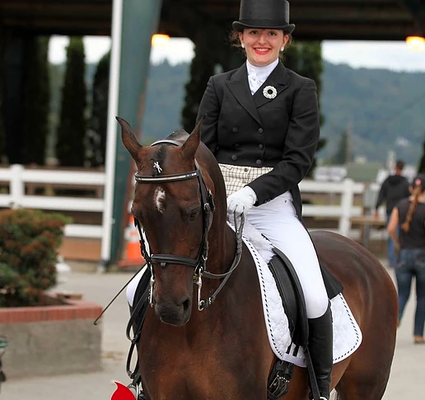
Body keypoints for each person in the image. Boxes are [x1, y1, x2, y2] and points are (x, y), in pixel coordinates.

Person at [196, 1, 331, 398]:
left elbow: (298, 159)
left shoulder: (300, 89)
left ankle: (319, 389)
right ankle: (146, 376)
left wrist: (254, 192)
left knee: (313, 294)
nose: (262, 40)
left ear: (284, 40)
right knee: (145, 284)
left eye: (271, 33)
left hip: (271, 206)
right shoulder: (219, 86)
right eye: (254, 33)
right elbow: (202, 149)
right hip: (219, 204)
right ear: (241, 38)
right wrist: (214, 193)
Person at [388, 174, 425, 344]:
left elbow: (391, 228)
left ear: (410, 188)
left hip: (403, 255)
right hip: (422, 257)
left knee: (402, 294)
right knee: (422, 297)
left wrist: (397, 243)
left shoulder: (400, 205)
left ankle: (395, 320)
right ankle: (418, 334)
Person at [374, 159, 410, 267]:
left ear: (395, 167)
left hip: (390, 209)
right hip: (402, 210)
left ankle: (392, 260)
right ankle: (399, 259)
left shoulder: (387, 180)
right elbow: (408, 197)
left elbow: (381, 194)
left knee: (391, 234)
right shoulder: (405, 182)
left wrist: (377, 207)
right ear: (403, 168)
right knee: (401, 235)